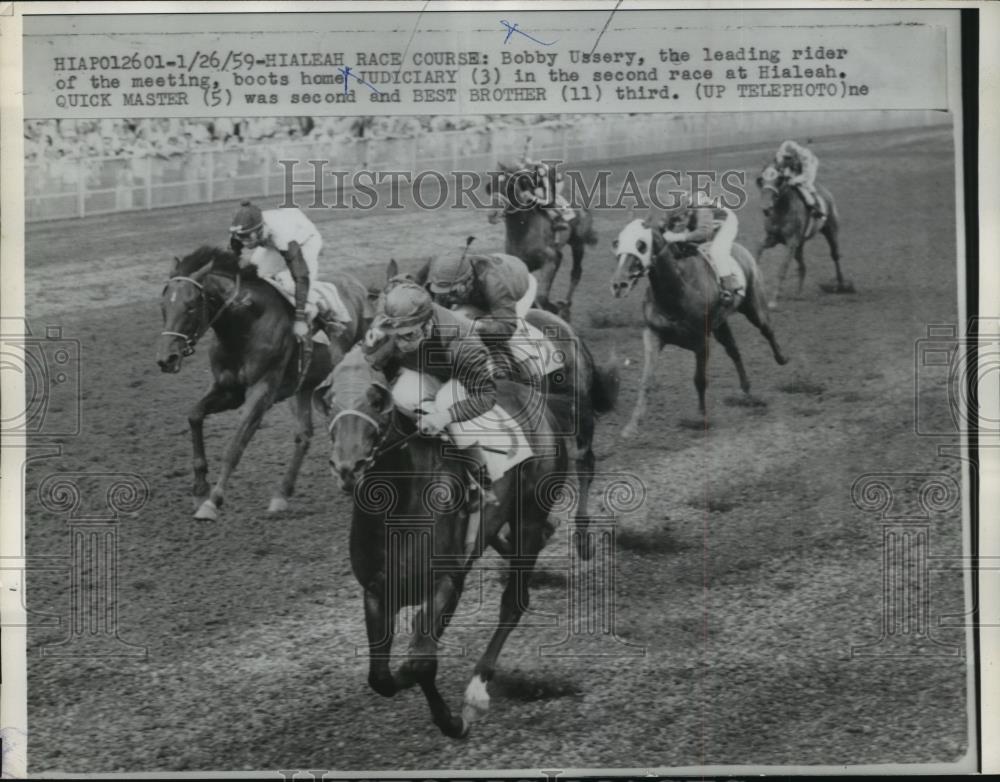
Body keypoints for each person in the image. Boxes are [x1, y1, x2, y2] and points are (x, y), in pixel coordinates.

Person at [365, 279, 506, 506]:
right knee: (400, 395)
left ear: (428, 325)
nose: (400, 343)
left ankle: (482, 480)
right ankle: (430, 446)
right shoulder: (390, 323)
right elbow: (369, 362)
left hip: (463, 375)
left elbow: (486, 396)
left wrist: (443, 417)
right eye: (396, 334)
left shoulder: (462, 342)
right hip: (428, 368)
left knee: (445, 404)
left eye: (408, 335)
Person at [228, 200, 344, 347]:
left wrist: (300, 319)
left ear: (259, 230)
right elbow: (231, 259)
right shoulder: (243, 232)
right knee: (258, 276)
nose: (244, 242)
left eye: (247, 237)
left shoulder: (283, 235)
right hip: (273, 240)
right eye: (241, 237)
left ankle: (323, 313)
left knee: (290, 285)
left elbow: (301, 277)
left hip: (304, 241)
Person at [425, 251, 538, 378]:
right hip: (481, 290)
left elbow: (507, 327)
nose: (449, 297)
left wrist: (476, 325)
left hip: (515, 287)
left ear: (468, 280)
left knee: (507, 336)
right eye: (444, 292)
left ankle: (527, 372)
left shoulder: (495, 283)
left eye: (453, 292)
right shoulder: (445, 278)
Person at [662, 192, 745, 307]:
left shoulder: (702, 209)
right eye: (674, 220)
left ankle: (729, 287)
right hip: (701, 223)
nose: (677, 223)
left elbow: (704, 232)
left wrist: (678, 236)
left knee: (716, 251)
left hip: (725, 222)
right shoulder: (677, 210)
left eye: (679, 219)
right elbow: (665, 226)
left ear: (689, 212)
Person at [519, 147, 575, 242]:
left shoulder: (544, 178)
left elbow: (546, 201)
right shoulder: (529, 174)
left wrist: (532, 197)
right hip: (542, 184)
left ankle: (558, 221)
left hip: (557, 184)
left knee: (547, 201)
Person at [775, 139, 825, 219]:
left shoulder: (805, 156)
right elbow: (781, 166)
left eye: (789, 158)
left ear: (795, 155)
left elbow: (806, 175)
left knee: (806, 184)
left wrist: (794, 180)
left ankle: (817, 206)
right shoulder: (781, 153)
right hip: (794, 164)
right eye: (785, 157)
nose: (786, 160)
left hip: (810, 166)